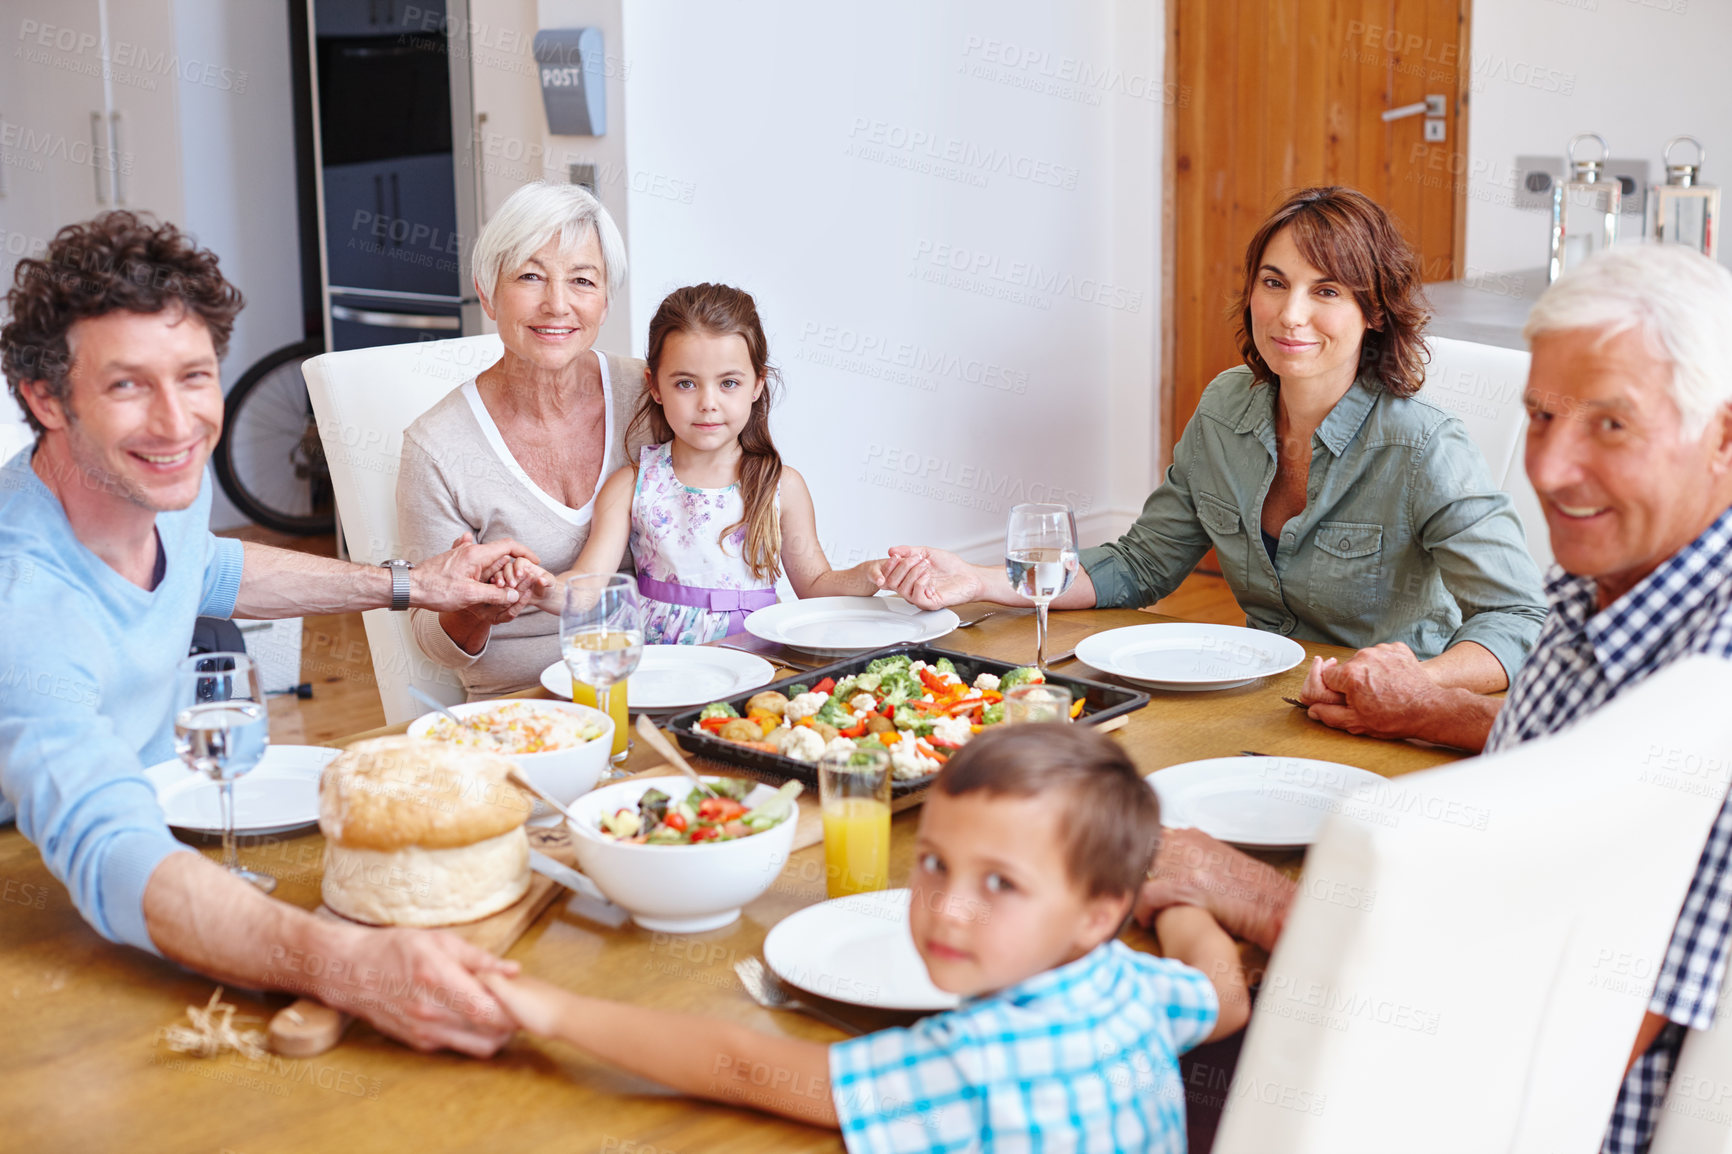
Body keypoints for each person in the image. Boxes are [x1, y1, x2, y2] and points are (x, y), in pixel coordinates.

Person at [1146, 244, 1732, 1154]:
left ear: (1724, 434)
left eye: (1611, 426)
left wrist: (1258, 899)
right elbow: (1585, 767)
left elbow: (1566, 1034)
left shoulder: (1710, 690)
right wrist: (1432, 710)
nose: (1552, 470)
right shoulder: (1612, 574)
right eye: (1541, 416)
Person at [0, 211, 537, 1054]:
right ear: (44, 399)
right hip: (43, 901)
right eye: (127, 385)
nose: (178, 424)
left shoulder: (140, 488)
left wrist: (414, 584)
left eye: (194, 375)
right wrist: (343, 963)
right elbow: (104, 848)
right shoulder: (23, 599)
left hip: (166, 850)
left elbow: (214, 571)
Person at [879, 186, 1547, 693]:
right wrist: (979, 580)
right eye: (1274, 283)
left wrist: (1416, 683)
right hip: (1256, 693)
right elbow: (1142, 564)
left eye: (1328, 291)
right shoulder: (1226, 406)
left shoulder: (1426, 447)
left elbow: (1519, 618)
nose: (1291, 314)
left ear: (1372, 312)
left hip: (1387, 718)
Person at [480, 724, 1249, 1151]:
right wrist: (1179, 905)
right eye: (935, 864)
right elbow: (1224, 998)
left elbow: (745, 1068)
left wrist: (545, 1010)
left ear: (1092, 912)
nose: (947, 910)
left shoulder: (973, 1062)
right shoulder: (1125, 987)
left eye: (1000, 884)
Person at [526, 283, 892, 643]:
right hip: (663, 670)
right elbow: (587, 589)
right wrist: (535, 587)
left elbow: (814, 585)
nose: (708, 403)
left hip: (757, 660)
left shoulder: (779, 485)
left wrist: (870, 574)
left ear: (757, 385)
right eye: (686, 384)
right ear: (655, 386)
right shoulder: (631, 485)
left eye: (729, 383)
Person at [396, 181, 651, 698]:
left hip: (658, 682)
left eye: (582, 280)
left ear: (605, 303)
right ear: (487, 293)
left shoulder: (654, 398)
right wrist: (475, 611)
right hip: (522, 707)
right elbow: (433, 641)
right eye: (531, 276)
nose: (557, 304)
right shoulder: (436, 446)